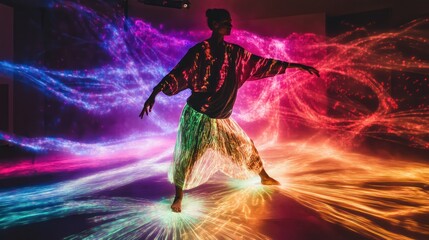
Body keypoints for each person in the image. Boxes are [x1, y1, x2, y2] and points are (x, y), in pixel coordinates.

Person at [139, 9, 319, 213]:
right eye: (226, 22)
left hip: (222, 118)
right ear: (215, 25)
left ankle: (264, 177)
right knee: (187, 156)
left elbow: (261, 64)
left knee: (244, 146)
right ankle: (178, 197)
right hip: (198, 115)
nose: (230, 25)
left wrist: (294, 66)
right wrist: (154, 93)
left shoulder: (235, 53)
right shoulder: (199, 52)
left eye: (230, 22)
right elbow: (178, 73)